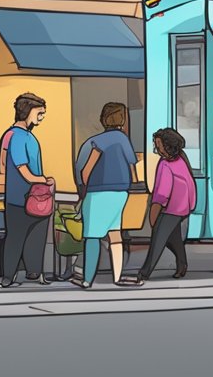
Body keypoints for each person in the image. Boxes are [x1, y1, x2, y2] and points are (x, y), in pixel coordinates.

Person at [73, 102, 143, 289]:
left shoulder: (99, 140)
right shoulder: (123, 139)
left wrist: (84, 189)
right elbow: (132, 166)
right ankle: (118, 276)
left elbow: (86, 170)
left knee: (92, 236)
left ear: (103, 119)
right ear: (123, 119)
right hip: (120, 192)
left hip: (98, 192)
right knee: (115, 234)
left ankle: (88, 279)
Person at [0, 92, 55, 289]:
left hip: (29, 195)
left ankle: (33, 272)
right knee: (18, 236)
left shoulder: (19, 136)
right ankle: (11, 275)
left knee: (32, 235)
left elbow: (3, 164)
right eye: (39, 113)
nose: (41, 118)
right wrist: (43, 179)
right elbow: (24, 170)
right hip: (23, 196)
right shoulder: (18, 137)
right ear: (27, 112)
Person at [138, 128, 197, 282]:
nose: (157, 149)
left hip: (170, 209)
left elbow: (161, 193)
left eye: (159, 145)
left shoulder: (165, 164)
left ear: (168, 145)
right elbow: (189, 183)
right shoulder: (181, 158)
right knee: (174, 238)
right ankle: (182, 264)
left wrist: (154, 213)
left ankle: (144, 273)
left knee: (158, 239)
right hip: (183, 207)